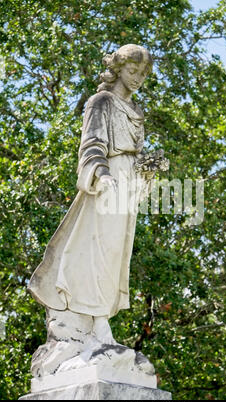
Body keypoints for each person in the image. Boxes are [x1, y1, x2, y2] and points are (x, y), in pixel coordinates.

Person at [28, 44, 153, 345]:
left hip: (127, 186)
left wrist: (148, 169)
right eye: (131, 71)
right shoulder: (101, 102)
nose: (136, 78)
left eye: (142, 74)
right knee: (98, 250)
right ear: (118, 69)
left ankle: (100, 320)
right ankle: (95, 322)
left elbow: (135, 157)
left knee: (115, 256)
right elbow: (92, 145)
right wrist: (102, 174)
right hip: (105, 183)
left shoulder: (137, 112)